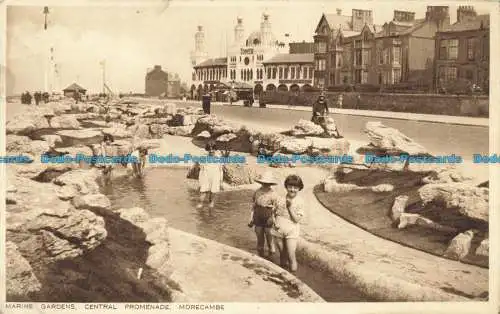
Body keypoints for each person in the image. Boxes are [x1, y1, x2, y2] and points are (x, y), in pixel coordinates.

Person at [271, 175, 306, 274]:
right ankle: (284, 276)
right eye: (290, 186)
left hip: (291, 230)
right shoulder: (279, 198)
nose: (292, 189)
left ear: (299, 188)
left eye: (295, 187)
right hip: (278, 229)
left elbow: (296, 219)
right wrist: (273, 221)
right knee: (282, 254)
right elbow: (273, 212)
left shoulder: (300, 201)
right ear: (286, 186)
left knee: (291, 255)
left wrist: (290, 208)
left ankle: (294, 277)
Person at [248, 171, 278, 258]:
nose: (265, 185)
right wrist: (250, 218)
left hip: (268, 215)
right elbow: (253, 206)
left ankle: (271, 257)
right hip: (258, 215)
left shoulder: (273, 194)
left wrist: (275, 221)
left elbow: (275, 209)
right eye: (264, 183)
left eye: (268, 183)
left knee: (269, 238)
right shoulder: (257, 192)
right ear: (261, 183)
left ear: (271, 184)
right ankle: (260, 257)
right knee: (259, 238)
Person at [196, 141, 223, 209]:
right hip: (206, 176)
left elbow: (221, 170)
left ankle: (211, 205)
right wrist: (199, 182)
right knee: (203, 192)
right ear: (207, 149)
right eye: (209, 149)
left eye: (213, 149)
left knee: (213, 193)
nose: (211, 151)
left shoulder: (219, 158)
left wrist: (221, 181)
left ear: (215, 149)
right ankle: (200, 204)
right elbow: (201, 170)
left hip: (215, 177)